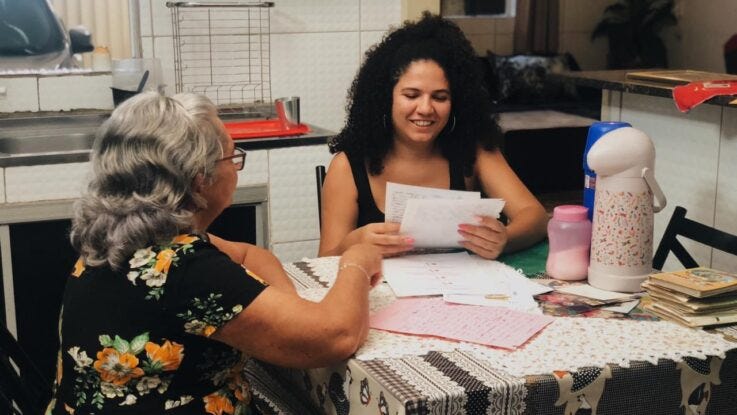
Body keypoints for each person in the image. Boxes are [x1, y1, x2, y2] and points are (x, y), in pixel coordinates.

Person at [47, 92, 382, 414]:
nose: (236, 168)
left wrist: (283, 315)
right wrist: (356, 261)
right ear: (199, 179)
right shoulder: (185, 270)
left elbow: (253, 257)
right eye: (233, 157)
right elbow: (336, 336)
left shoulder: (125, 236)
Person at [318, 13, 547, 259]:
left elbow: (534, 215)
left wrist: (505, 238)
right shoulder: (348, 166)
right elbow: (324, 261)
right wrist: (352, 243)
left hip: (461, 290)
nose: (426, 108)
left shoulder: (474, 151)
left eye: (440, 97)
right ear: (386, 98)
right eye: (411, 95)